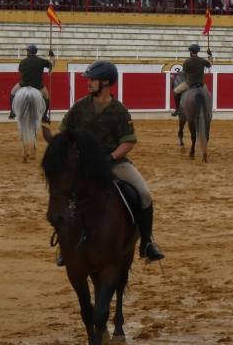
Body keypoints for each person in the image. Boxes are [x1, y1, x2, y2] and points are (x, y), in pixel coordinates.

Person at [58, 60, 164, 264]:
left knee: (144, 194)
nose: (88, 83)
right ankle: (66, 246)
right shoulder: (79, 107)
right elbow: (65, 132)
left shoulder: (119, 110)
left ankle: (147, 243)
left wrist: (111, 157)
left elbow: (129, 141)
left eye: (92, 79)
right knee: (64, 196)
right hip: (84, 165)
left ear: (106, 82)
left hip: (114, 163)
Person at [8, 44, 55, 123]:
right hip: (38, 85)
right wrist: (52, 56)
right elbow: (52, 65)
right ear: (35, 52)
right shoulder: (41, 61)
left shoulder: (23, 61)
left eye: (27, 51)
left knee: (12, 93)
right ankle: (44, 115)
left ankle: (12, 112)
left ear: (29, 52)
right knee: (46, 96)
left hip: (24, 84)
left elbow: (21, 71)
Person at [171, 43, 213, 115]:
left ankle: (177, 109)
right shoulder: (202, 60)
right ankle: (209, 110)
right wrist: (210, 56)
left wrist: (175, 75)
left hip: (190, 83)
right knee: (208, 95)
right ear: (197, 51)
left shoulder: (187, 61)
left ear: (191, 52)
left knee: (176, 91)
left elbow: (184, 73)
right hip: (201, 84)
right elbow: (209, 65)